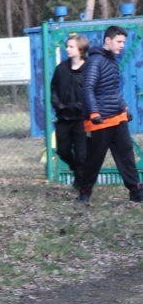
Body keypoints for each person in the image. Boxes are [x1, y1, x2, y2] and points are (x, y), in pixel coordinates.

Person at [80, 25, 140, 204]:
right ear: (108, 40)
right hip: (100, 121)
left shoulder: (112, 61)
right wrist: (94, 112)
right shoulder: (95, 61)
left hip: (118, 118)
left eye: (124, 42)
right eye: (119, 41)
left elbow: (113, 90)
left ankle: (136, 192)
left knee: (126, 155)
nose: (122, 45)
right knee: (94, 160)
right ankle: (84, 193)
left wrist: (124, 108)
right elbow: (88, 88)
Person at [50, 33, 89, 202]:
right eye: (67, 46)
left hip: (81, 119)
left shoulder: (88, 69)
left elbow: (91, 92)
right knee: (63, 151)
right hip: (63, 118)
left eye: (71, 46)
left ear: (81, 49)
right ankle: (78, 172)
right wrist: (57, 104)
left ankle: (82, 181)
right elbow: (53, 88)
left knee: (81, 155)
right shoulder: (61, 69)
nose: (67, 49)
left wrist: (78, 106)